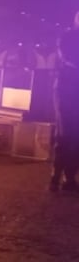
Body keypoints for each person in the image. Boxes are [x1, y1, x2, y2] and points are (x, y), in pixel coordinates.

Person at [50, 13, 79, 192]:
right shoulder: (68, 37)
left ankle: (70, 178)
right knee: (65, 133)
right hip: (66, 89)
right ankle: (55, 177)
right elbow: (68, 58)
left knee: (77, 136)